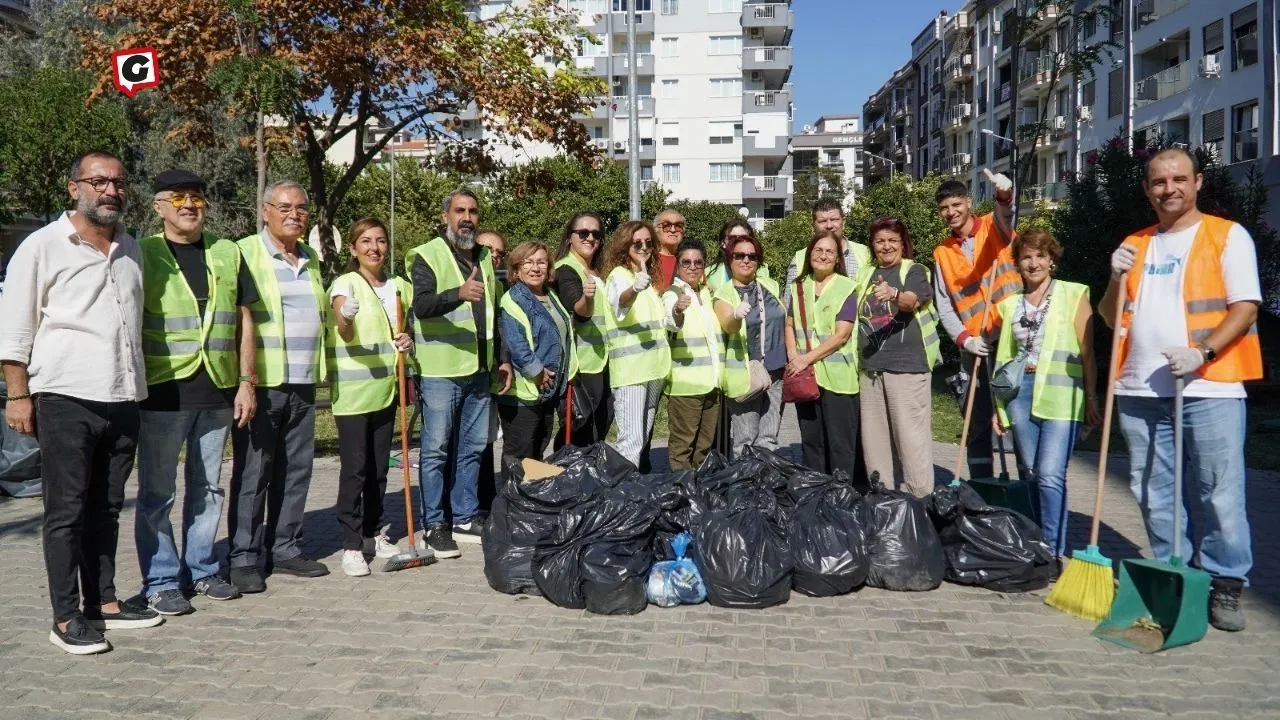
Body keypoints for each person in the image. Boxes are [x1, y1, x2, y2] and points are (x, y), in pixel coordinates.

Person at [0, 151, 162, 655]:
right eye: (98, 182)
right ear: (75, 188)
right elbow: (15, 326)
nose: (110, 190)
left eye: (118, 182)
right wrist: (17, 394)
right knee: (66, 511)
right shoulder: (42, 246)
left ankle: (104, 603)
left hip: (122, 395)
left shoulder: (130, 247)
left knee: (107, 507)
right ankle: (66, 617)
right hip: (66, 396)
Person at [1101, 147, 1262, 632]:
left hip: (1210, 385)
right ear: (1146, 189)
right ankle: (1176, 573)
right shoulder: (1136, 243)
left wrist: (1203, 353)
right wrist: (1114, 276)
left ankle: (1226, 582)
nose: (1168, 189)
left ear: (1198, 182)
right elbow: (1111, 316)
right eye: (1157, 182)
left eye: (1178, 179)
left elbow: (1246, 307)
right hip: (1139, 388)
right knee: (1154, 491)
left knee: (1219, 491)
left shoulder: (1227, 236)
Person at [134, 169, 259, 615]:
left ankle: (202, 570)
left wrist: (247, 382)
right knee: (158, 492)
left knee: (209, 488)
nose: (190, 205)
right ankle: (162, 580)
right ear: (159, 206)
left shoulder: (227, 253)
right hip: (163, 393)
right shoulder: (142, 252)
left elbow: (245, 319)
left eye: (197, 199)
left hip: (218, 390)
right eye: (179, 198)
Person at [229, 180, 332, 593]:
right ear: (265, 211)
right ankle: (244, 556)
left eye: (302, 208)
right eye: (285, 207)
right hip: (263, 382)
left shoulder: (310, 258)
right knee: (255, 472)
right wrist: (245, 381)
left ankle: (286, 548)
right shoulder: (245, 253)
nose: (294, 214)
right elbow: (238, 320)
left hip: (303, 380)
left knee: (297, 471)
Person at [407, 189, 511, 557]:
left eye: (473, 211)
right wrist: (458, 293)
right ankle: (435, 524)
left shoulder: (484, 256)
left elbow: (492, 314)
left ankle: (465, 517)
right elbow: (421, 305)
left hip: (479, 371)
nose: (467, 217)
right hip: (440, 372)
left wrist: (501, 358)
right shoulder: (426, 254)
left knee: (472, 449)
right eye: (459, 211)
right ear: (446, 216)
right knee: (435, 452)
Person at [991, 229, 1098, 564]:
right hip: (1021, 395)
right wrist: (999, 407)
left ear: (1052, 260)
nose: (1033, 263)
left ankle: (1052, 550)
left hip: (1062, 396)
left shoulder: (1074, 294)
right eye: (1026, 257)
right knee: (1031, 471)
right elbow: (1003, 361)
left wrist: (1092, 398)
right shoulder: (1009, 305)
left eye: (1040, 256)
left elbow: (1088, 352)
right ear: (1018, 264)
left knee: (1051, 473)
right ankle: (1035, 541)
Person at [327, 218, 416, 577]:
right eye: (365, 241)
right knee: (356, 469)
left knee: (379, 469)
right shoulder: (345, 283)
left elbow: (403, 327)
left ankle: (373, 532)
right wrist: (346, 317)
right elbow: (343, 329)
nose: (374, 248)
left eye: (380, 241)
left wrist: (406, 339)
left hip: (384, 391)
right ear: (352, 248)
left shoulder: (397, 287)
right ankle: (351, 545)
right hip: (352, 394)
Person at [932, 170, 1018, 480]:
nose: (951, 212)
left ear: (968, 201)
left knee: (1015, 417)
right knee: (976, 420)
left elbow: (1006, 213)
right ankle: (982, 487)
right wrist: (964, 339)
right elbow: (944, 303)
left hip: (1012, 341)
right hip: (974, 347)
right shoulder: (942, 252)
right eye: (944, 208)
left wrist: (1004, 195)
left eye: (956, 204)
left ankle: (1027, 489)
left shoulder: (994, 228)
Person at [851, 217, 941, 498]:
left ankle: (921, 508)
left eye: (892, 240)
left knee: (912, 445)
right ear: (873, 246)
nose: (886, 246)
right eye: (880, 241)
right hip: (871, 371)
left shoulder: (914, 270)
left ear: (903, 244)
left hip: (907, 370)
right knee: (875, 447)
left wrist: (894, 294)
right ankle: (883, 506)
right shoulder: (866, 274)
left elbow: (912, 301)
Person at [784, 232, 859, 477]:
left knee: (840, 443)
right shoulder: (798, 286)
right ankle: (815, 493)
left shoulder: (846, 287)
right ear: (809, 254)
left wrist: (805, 358)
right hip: (805, 375)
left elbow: (842, 335)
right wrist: (794, 355)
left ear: (838, 259)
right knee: (811, 440)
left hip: (838, 377)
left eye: (829, 251)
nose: (823, 255)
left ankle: (840, 496)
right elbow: (789, 323)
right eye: (818, 250)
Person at [497, 242, 576, 471]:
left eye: (541, 262)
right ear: (516, 269)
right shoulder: (513, 299)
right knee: (519, 455)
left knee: (537, 452)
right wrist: (538, 372)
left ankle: (531, 503)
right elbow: (516, 343)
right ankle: (512, 504)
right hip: (523, 392)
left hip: (546, 390)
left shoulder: (550, 296)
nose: (535, 268)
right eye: (528, 262)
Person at [602, 220, 672, 468]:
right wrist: (634, 288)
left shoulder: (649, 281)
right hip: (631, 372)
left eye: (648, 243)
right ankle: (622, 499)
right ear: (625, 245)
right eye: (637, 243)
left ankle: (633, 495)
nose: (643, 247)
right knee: (630, 442)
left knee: (641, 440)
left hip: (654, 370)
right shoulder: (619, 276)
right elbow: (620, 302)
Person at [714, 231, 785, 457]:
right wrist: (736, 315)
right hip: (745, 374)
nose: (746, 260)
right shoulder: (724, 293)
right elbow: (728, 324)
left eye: (752, 256)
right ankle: (743, 486)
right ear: (730, 260)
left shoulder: (770, 285)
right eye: (739, 256)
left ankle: (765, 484)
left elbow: (783, 319)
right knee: (745, 439)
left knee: (769, 436)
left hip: (775, 370)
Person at [552, 213, 612, 448]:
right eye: (583, 233)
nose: (590, 238)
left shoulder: (595, 271)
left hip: (601, 359)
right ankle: (570, 476)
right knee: (579, 426)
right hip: (581, 364)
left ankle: (589, 475)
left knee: (598, 424)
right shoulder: (566, 269)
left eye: (596, 234)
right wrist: (586, 299)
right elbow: (576, 307)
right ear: (569, 238)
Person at [662, 239, 722, 470]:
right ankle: (682, 495)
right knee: (682, 447)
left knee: (704, 446)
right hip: (685, 386)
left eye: (698, 262)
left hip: (711, 384)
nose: (693, 267)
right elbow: (670, 320)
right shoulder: (673, 294)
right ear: (677, 266)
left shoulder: (706, 294)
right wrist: (678, 310)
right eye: (686, 262)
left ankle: (699, 492)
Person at [782, 199, 872, 307]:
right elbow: (790, 305)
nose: (829, 225)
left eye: (834, 219)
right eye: (822, 221)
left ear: (843, 222)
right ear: (813, 225)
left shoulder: (865, 253)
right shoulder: (799, 258)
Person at [475, 229, 507, 516]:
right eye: (488, 251)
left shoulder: (498, 286)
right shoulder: (469, 282)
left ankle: (486, 499)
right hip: (463, 375)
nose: (494, 258)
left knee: (486, 440)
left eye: (499, 253)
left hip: (489, 375)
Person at [706, 220, 773, 293]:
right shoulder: (707, 275)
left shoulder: (762, 272)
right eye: (732, 238)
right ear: (723, 243)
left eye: (743, 238)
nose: (737, 243)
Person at [653, 208, 685, 292]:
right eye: (666, 226)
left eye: (678, 226)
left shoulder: (690, 260)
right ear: (656, 229)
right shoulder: (648, 259)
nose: (673, 230)